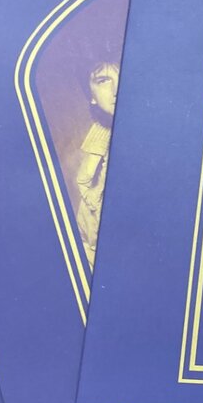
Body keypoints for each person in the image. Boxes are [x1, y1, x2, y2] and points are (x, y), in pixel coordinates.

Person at [76, 61, 118, 268]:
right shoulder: (103, 132)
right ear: (92, 97)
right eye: (104, 81)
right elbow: (83, 179)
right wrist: (92, 201)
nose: (116, 89)